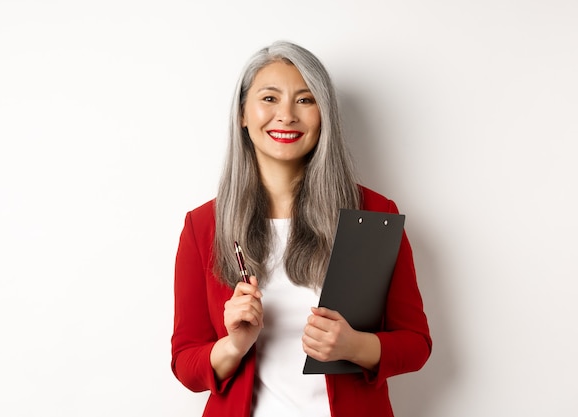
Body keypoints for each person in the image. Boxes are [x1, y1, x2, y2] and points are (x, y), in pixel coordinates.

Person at [171, 40, 431, 417]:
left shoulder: (374, 214)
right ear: (243, 113)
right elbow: (185, 364)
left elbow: (416, 344)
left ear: (324, 115)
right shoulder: (203, 226)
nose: (287, 115)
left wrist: (353, 346)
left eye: (305, 100)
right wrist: (233, 345)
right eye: (270, 98)